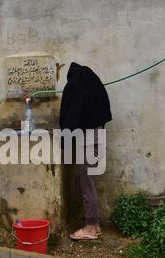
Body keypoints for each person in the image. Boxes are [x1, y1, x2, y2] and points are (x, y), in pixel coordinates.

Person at [59, 62, 112, 240]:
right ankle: (95, 226)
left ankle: (90, 227)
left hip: (89, 138)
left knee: (86, 183)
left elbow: (72, 114)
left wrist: (63, 142)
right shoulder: (92, 83)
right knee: (89, 180)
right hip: (98, 133)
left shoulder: (77, 86)